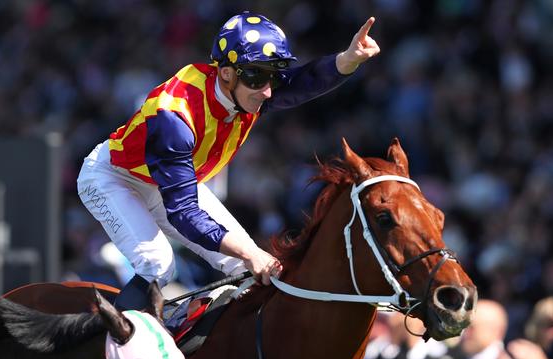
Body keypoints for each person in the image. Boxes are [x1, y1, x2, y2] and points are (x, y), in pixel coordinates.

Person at [77, 11, 381, 310]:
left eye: (272, 76)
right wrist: (249, 250)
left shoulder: (243, 85)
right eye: (258, 77)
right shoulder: (174, 118)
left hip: (165, 183)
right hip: (113, 178)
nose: (268, 90)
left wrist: (348, 58)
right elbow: (183, 212)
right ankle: (117, 351)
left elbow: (301, 83)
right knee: (158, 265)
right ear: (225, 73)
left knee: (250, 271)